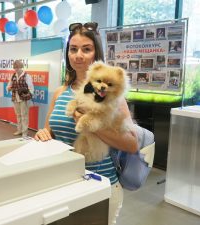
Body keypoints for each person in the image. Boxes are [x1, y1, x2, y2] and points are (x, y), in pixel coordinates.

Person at [34, 22, 138, 225]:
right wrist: (43, 134)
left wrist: (92, 124)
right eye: (73, 49)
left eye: (86, 49)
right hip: (63, 183)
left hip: (99, 185)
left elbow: (132, 144)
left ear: (96, 54)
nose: (78, 55)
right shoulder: (60, 92)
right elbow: (50, 130)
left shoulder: (113, 96)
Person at [7, 60, 34, 138]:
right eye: (15, 68)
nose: (16, 69)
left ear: (21, 67)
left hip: (23, 98)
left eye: (17, 68)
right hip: (15, 98)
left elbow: (31, 88)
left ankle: (24, 132)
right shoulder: (13, 76)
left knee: (24, 115)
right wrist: (8, 88)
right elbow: (9, 86)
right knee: (18, 115)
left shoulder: (27, 76)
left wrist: (27, 94)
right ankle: (19, 130)